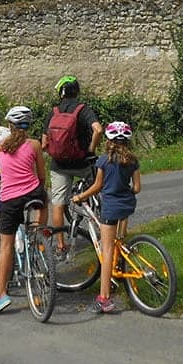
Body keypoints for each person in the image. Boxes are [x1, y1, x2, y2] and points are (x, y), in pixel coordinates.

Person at [0, 106, 48, 315]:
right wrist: (38, 189)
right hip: (33, 194)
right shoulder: (34, 145)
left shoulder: (1, 147)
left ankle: (1, 295)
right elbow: (41, 175)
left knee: (5, 246)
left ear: (10, 126)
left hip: (11, 199)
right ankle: (39, 233)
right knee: (44, 197)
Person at [72, 120, 141, 314]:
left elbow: (97, 186)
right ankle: (120, 268)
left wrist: (80, 196)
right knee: (119, 239)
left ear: (109, 141)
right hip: (127, 205)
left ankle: (104, 298)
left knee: (107, 249)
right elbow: (137, 188)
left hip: (110, 208)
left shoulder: (103, 160)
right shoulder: (133, 161)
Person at [43, 76, 103, 249]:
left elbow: (44, 143)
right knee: (100, 190)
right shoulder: (83, 109)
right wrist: (91, 147)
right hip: (82, 162)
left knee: (58, 204)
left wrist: (56, 151)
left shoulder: (53, 112)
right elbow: (98, 129)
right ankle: (103, 228)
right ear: (77, 91)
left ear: (61, 93)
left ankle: (61, 244)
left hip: (59, 165)